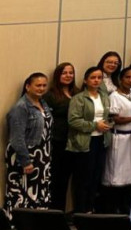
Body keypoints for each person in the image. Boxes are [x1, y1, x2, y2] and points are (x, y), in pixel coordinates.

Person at [5, 73, 52, 215]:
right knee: (22, 194)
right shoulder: (21, 107)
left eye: (44, 85)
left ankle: (35, 227)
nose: (42, 88)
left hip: (42, 156)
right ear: (27, 86)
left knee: (38, 192)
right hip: (25, 156)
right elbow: (17, 138)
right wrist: (25, 161)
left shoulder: (43, 103)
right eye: (38, 85)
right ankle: (18, 228)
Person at [67, 67, 112, 213]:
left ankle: (90, 209)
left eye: (99, 78)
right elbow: (73, 120)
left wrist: (107, 124)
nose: (96, 80)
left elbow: (106, 116)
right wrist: (94, 125)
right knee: (83, 179)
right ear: (86, 80)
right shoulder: (79, 98)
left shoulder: (104, 96)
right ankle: (80, 211)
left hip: (101, 140)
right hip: (85, 142)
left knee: (96, 177)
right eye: (93, 77)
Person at [103, 67, 131, 214]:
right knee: (116, 174)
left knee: (130, 174)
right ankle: (112, 209)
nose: (130, 80)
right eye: (127, 77)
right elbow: (115, 119)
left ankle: (126, 208)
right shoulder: (114, 96)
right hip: (119, 138)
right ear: (120, 79)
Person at [44, 63, 78, 211]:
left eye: (71, 73)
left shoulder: (77, 93)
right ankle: (54, 213)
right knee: (55, 179)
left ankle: (62, 212)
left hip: (73, 142)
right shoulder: (50, 95)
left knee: (65, 180)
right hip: (57, 141)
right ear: (58, 75)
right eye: (64, 73)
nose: (68, 76)